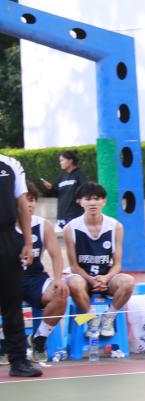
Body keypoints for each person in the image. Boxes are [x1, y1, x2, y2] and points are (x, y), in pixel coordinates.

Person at [63, 182, 135, 339]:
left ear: (104, 201)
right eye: (88, 199)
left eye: (97, 198)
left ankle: (109, 317)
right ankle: (91, 319)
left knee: (128, 282)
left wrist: (106, 278)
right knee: (73, 283)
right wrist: (91, 280)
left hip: (106, 277)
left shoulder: (116, 227)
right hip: (83, 277)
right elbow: (73, 265)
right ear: (80, 202)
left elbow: (117, 264)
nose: (92, 203)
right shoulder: (70, 228)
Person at [0, 150, 40, 377]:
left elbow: (22, 204)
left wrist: (28, 242)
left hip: (7, 239)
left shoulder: (10, 164)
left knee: (12, 303)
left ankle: (18, 361)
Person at [19, 183, 69, 363]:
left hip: (35, 278)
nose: (29, 204)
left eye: (32, 200)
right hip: (10, 278)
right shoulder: (5, 225)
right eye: (25, 200)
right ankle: (4, 344)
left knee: (61, 293)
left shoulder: (43, 225)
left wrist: (58, 279)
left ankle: (39, 339)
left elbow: (56, 256)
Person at [39, 149, 86, 230]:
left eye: (62, 160)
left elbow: (85, 189)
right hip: (61, 217)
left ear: (70, 161)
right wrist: (51, 188)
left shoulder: (79, 175)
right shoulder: (61, 177)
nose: (60, 163)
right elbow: (56, 193)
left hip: (74, 216)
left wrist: (80, 198)